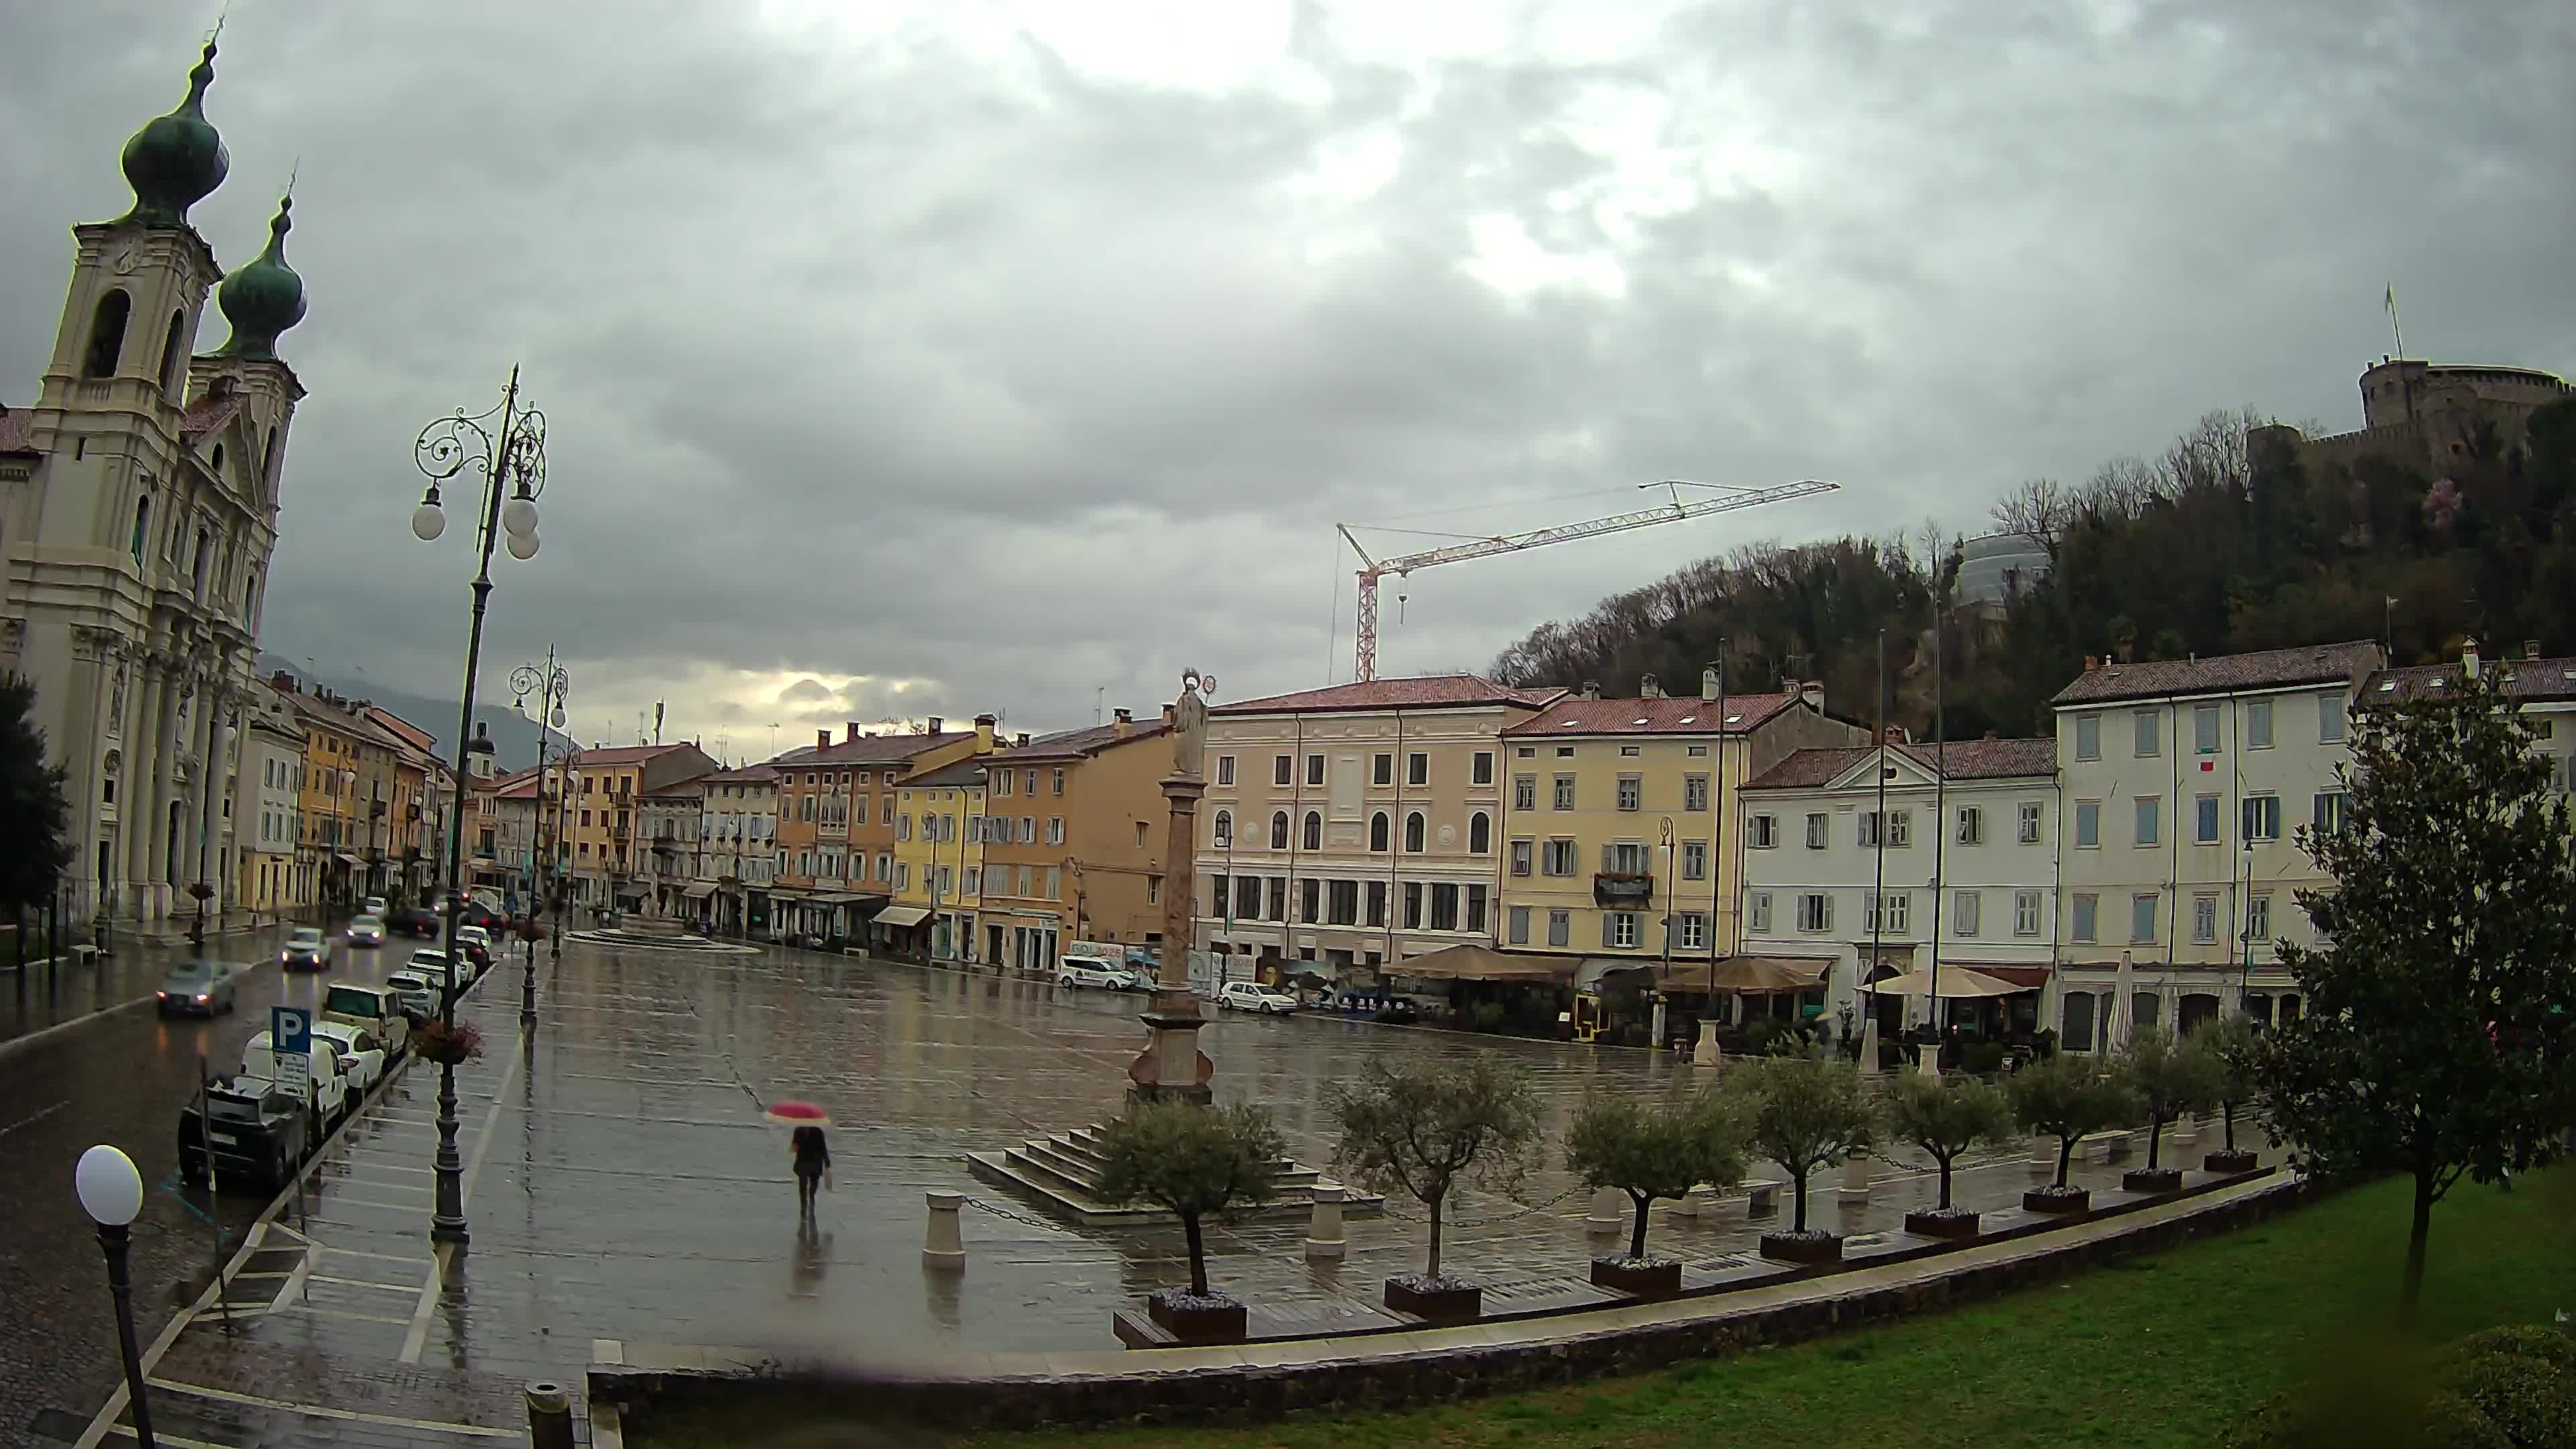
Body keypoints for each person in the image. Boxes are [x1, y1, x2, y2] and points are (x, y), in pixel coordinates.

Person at [790, 1124, 831, 1217]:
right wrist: (794, 1147)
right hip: (803, 1162)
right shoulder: (798, 1131)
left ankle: (812, 1197)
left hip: (815, 1163)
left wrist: (826, 1161)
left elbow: (823, 1148)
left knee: (814, 1184)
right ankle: (803, 1205)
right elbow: (794, 1145)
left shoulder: (818, 1132)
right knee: (803, 1185)